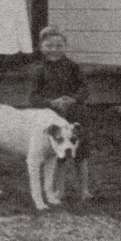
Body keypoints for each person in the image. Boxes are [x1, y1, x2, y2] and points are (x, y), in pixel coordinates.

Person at [30, 25, 92, 200]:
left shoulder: (73, 67)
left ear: (65, 46)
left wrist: (72, 99)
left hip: (76, 116)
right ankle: (59, 189)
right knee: (59, 156)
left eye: (59, 46)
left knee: (81, 154)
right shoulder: (39, 69)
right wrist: (51, 102)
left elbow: (84, 88)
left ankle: (84, 190)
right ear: (41, 47)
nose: (54, 50)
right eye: (49, 46)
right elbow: (33, 97)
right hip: (54, 119)